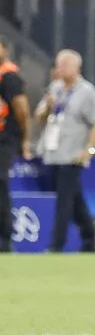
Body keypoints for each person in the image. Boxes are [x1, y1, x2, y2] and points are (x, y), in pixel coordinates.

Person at [35, 50, 95, 253]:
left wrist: (89, 150)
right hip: (53, 153)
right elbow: (39, 117)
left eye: (65, 65)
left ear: (77, 67)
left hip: (73, 155)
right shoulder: (55, 88)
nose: (61, 69)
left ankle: (56, 244)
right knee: (75, 200)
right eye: (59, 65)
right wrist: (47, 107)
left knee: (64, 200)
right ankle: (90, 238)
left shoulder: (87, 91)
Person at [0, 37, 31, 253]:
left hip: (5, 138)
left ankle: (5, 238)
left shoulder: (9, 77)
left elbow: (22, 109)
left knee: (0, 182)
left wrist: (25, 139)